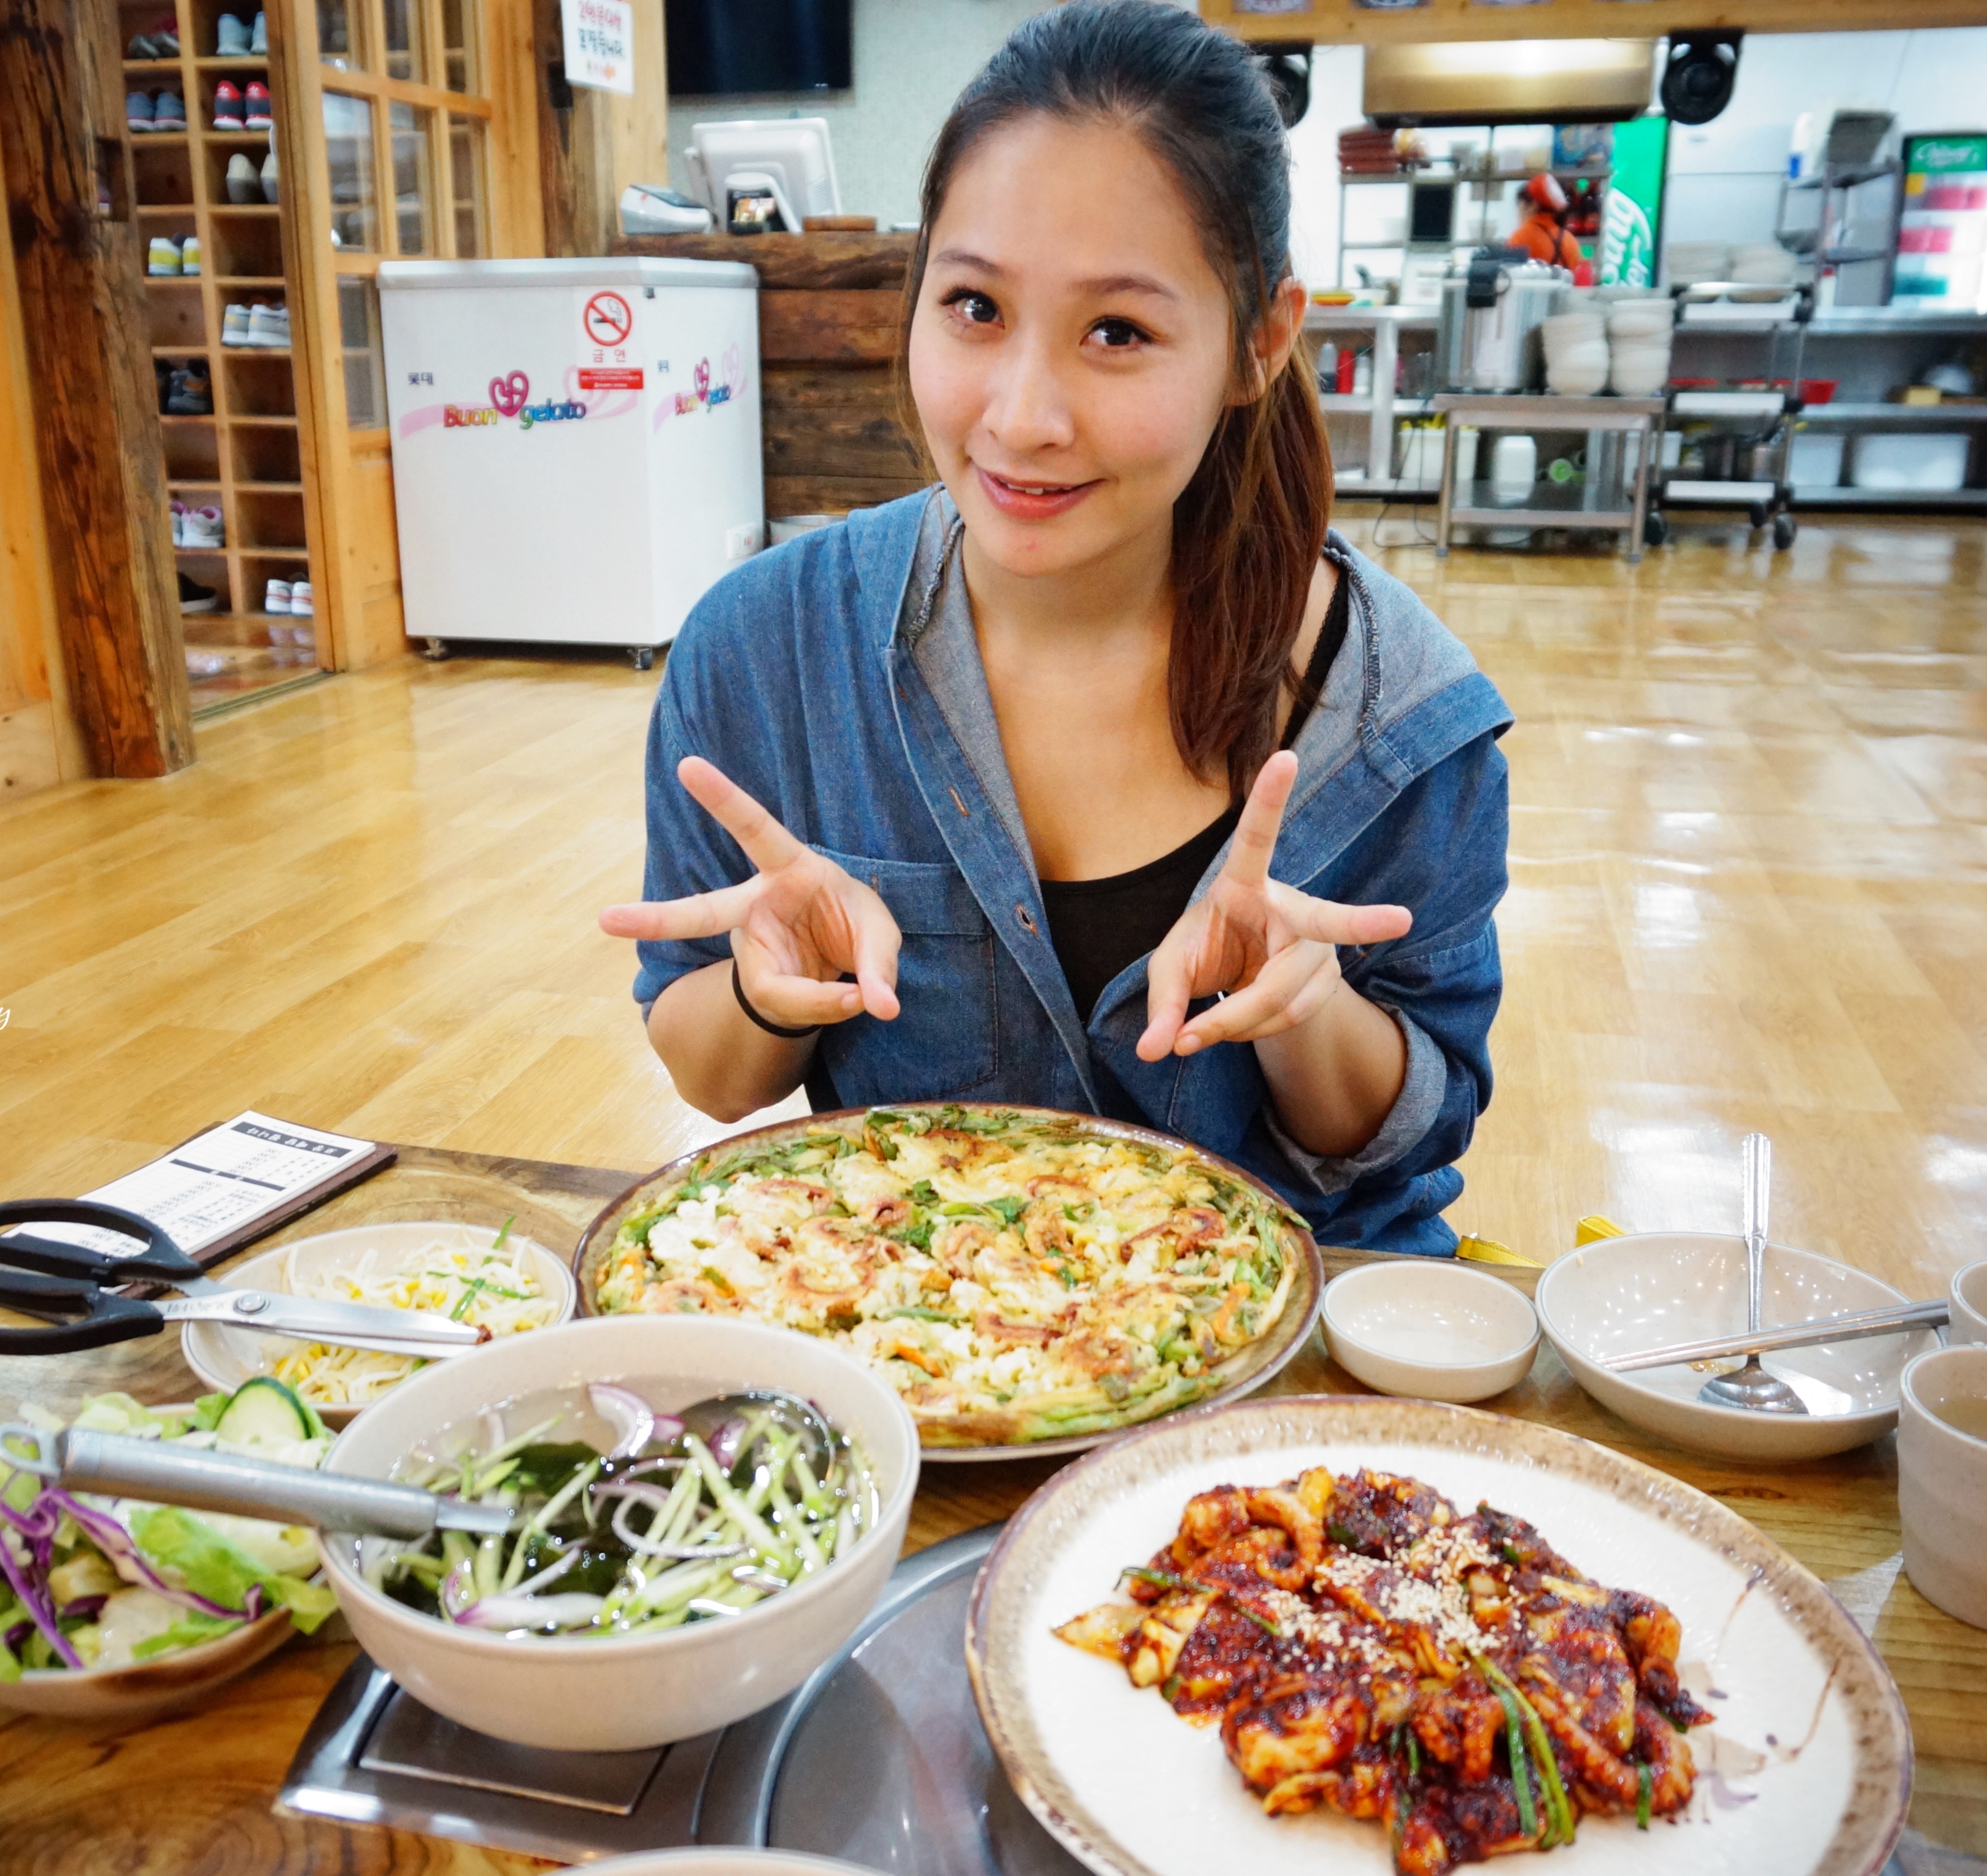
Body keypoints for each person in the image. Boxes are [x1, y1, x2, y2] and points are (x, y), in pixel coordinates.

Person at [598, 0, 1513, 1255]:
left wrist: (1310, 1008)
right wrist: (765, 989)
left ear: (1258, 343)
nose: (1023, 416)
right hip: (926, 1347)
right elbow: (713, 1079)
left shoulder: (1399, 715)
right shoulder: (764, 654)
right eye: (974, 307)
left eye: (1118, 332)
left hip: (1284, 1379)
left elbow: (1409, 1133)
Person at [1506, 172, 1584, 271]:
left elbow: (1510, 276)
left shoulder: (1520, 238)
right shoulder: (1571, 241)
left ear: (1532, 206)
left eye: (1519, 207)